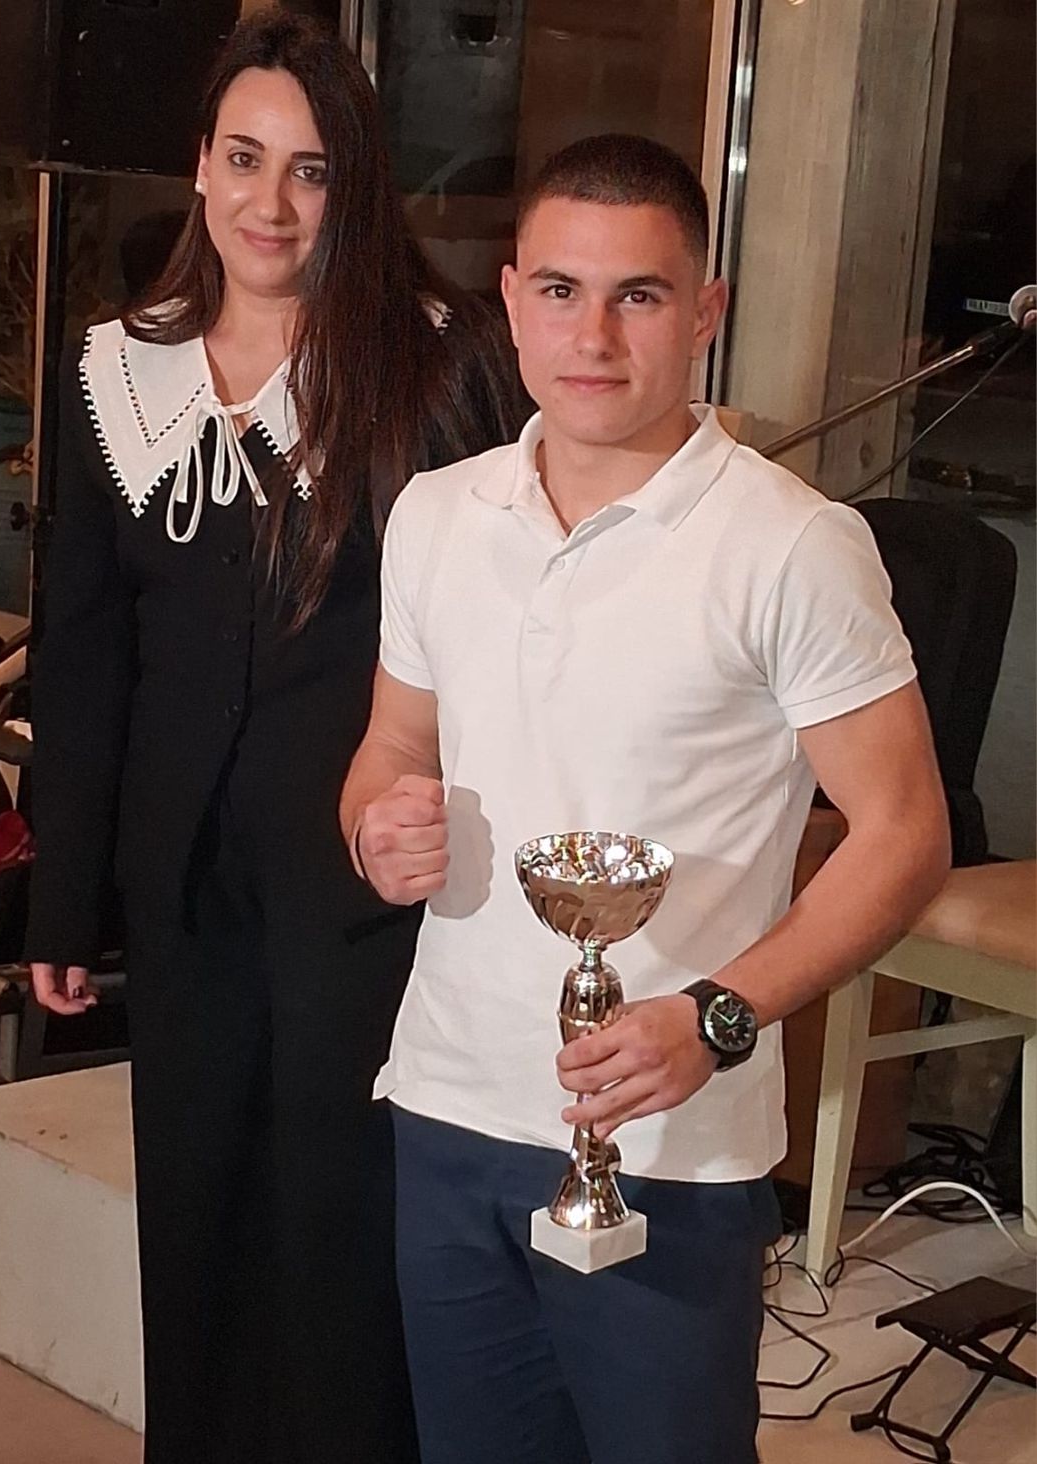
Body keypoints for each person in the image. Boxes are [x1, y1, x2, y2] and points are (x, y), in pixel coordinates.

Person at [341, 134, 951, 1464]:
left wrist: (718, 1019)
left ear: (706, 311)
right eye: (562, 291)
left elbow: (906, 837)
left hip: (671, 1137)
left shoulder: (793, 545)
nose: (595, 338)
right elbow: (390, 746)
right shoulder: (438, 514)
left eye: (641, 296)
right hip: (447, 1102)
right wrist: (377, 826)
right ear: (512, 301)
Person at [24, 10, 520, 1463]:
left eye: (310, 171)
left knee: (338, 1227)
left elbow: (496, 629)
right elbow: (86, 652)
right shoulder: (114, 373)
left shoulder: (432, 365)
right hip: (181, 883)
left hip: (360, 881)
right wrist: (66, 893)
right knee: (196, 1213)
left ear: (351, 184)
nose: (272, 204)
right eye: (245, 160)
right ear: (199, 164)